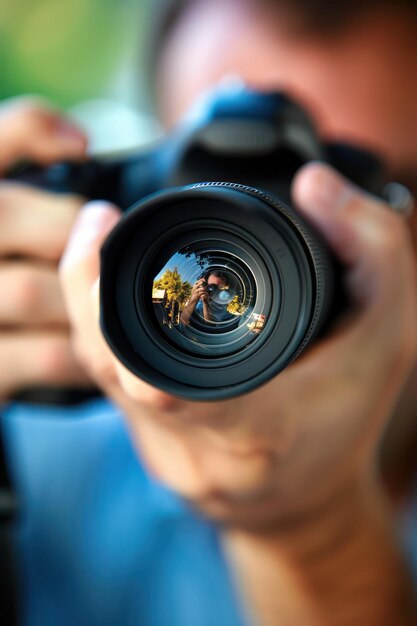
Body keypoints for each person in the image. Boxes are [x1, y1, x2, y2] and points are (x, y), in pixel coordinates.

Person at [2, 1, 417, 625]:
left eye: (386, 194)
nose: (277, 261)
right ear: (142, 204)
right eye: (213, 190)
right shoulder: (55, 461)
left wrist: (315, 534)